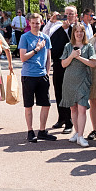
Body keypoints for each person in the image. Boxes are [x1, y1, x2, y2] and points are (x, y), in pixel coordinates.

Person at [19, 13, 57, 143]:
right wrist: (36, 49)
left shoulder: (46, 38)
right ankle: (30, 131)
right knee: (28, 105)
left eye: (38, 23)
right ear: (29, 23)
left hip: (42, 76)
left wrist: (46, 72)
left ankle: (42, 131)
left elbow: (48, 57)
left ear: (41, 23)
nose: (35, 25)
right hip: (28, 75)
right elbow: (23, 57)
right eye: (33, 23)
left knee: (45, 104)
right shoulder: (25, 37)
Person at [60, 23, 96, 147]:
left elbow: (93, 64)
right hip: (69, 80)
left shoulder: (89, 46)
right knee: (73, 108)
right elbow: (63, 64)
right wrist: (72, 55)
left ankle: (81, 136)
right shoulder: (68, 46)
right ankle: (77, 132)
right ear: (73, 33)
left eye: (81, 31)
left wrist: (79, 57)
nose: (79, 33)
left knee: (82, 108)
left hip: (83, 80)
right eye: (77, 31)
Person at [50, 6, 78, 133]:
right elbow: (50, 40)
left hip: (73, 65)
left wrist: (69, 30)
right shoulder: (57, 28)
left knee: (69, 94)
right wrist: (60, 27)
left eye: (71, 14)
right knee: (59, 92)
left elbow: (77, 44)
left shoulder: (78, 28)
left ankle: (69, 122)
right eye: (66, 14)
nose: (68, 16)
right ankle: (61, 117)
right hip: (59, 65)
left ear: (76, 15)